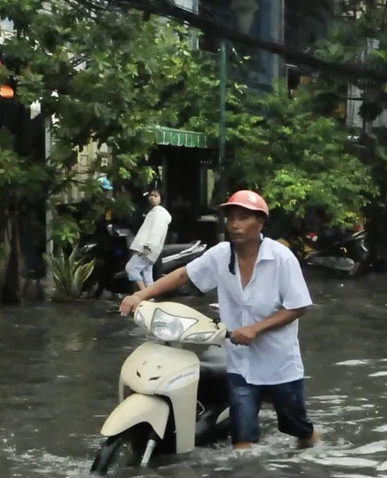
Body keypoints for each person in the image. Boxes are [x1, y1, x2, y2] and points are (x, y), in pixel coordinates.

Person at [119, 190, 318, 450]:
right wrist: (141, 295)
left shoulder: (281, 258)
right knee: (242, 439)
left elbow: (298, 306)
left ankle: (313, 448)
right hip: (239, 365)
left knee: (298, 429)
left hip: (279, 364)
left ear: (260, 223)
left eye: (243, 218)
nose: (234, 224)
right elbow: (183, 275)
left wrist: (256, 329)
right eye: (231, 218)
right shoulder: (221, 255)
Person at [123, 189, 172, 293]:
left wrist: (148, 245)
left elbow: (155, 230)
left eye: (155, 196)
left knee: (130, 268)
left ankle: (143, 292)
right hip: (150, 248)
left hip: (147, 247)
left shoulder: (158, 213)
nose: (152, 198)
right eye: (151, 195)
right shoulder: (155, 212)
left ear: (161, 199)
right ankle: (150, 298)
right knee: (147, 274)